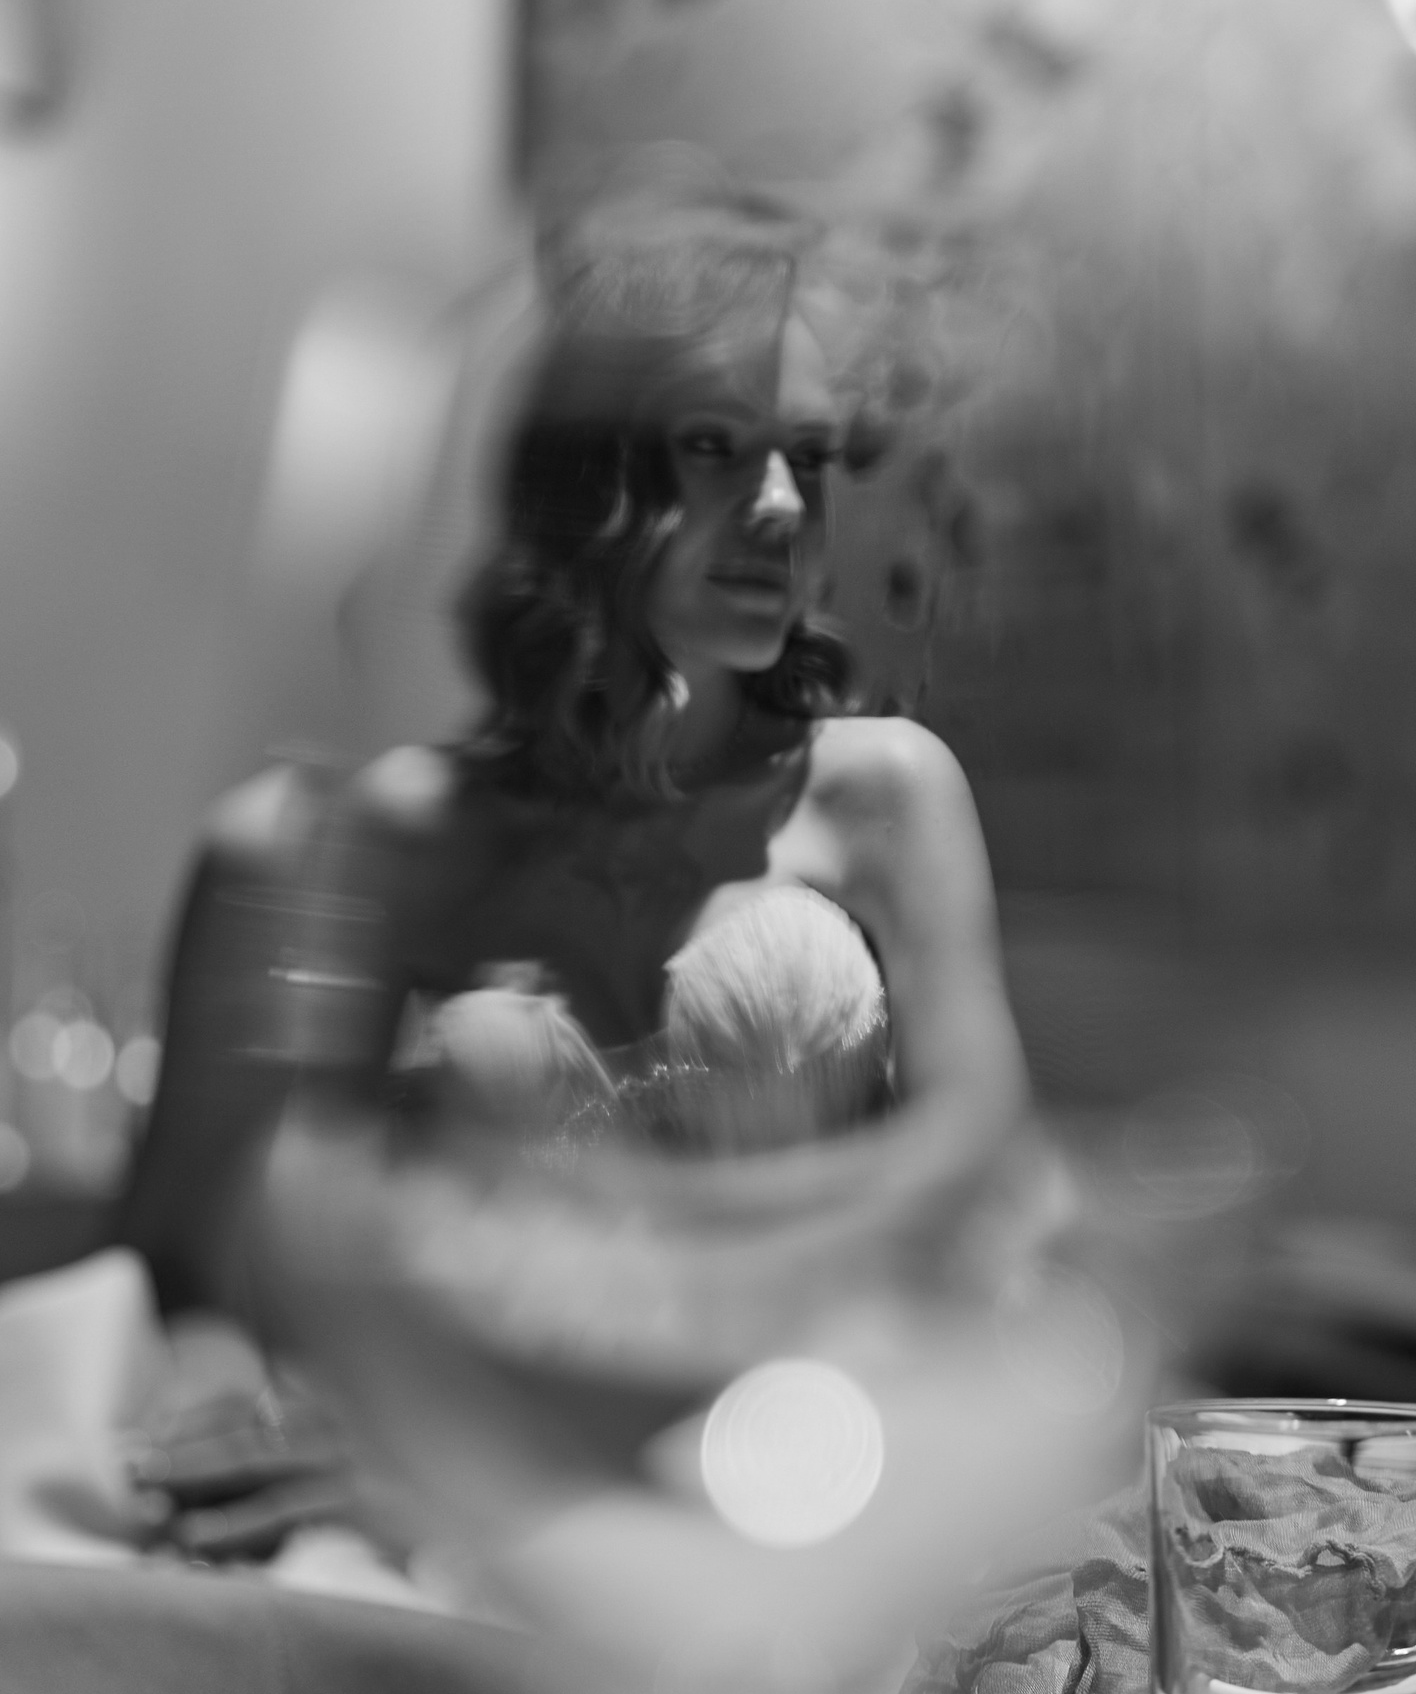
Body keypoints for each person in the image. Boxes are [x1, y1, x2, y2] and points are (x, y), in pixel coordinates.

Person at [120, 205, 1047, 1386]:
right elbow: (217, 1252)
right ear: (584, 482)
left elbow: (980, 1158)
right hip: (491, 1440)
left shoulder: (884, 792)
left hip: (812, 1431)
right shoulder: (395, 845)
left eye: (808, 459)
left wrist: (633, 1254)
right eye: (712, 445)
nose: (779, 505)